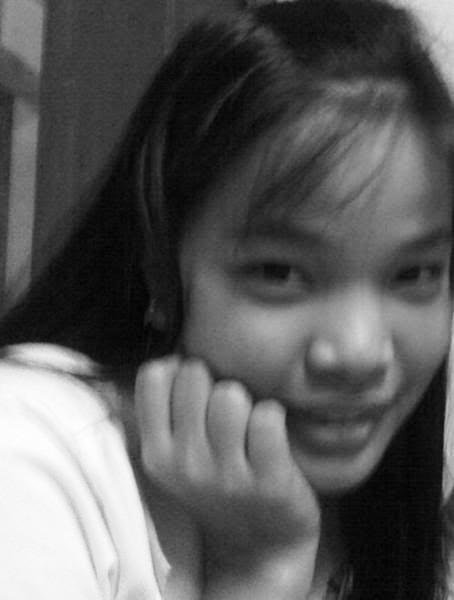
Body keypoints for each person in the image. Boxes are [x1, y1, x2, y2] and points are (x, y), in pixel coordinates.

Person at [0, 0, 453, 597]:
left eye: (415, 274)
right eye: (279, 272)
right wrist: (261, 569)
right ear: (159, 267)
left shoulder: (386, 509)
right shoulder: (30, 454)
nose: (360, 352)